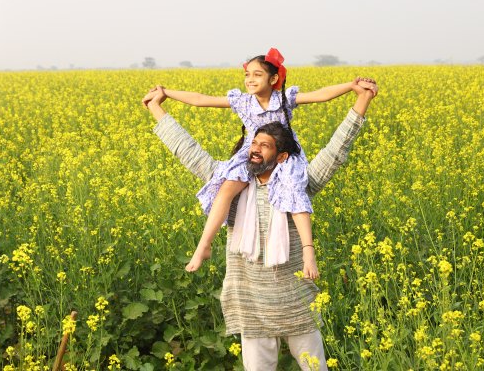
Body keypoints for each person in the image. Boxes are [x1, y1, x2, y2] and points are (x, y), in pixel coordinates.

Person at [143, 77, 377, 371]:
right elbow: (186, 149)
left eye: (264, 146)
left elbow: (336, 150)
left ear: (282, 156)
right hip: (251, 302)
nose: (255, 149)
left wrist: (363, 100)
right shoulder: (231, 183)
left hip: (295, 302)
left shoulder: (299, 183)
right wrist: (155, 108)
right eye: (254, 143)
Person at [143, 48, 376, 278]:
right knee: (225, 188)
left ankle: (308, 253)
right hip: (250, 153)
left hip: (283, 156)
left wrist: (351, 87)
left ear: (273, 79)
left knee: (295, 190)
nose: (250, 79)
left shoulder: (284, 99)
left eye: (257, 74)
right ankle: (204, 245)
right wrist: (166, 92)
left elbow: (321, 94)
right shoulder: (243, 102)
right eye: (247, 74)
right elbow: (200, 99)